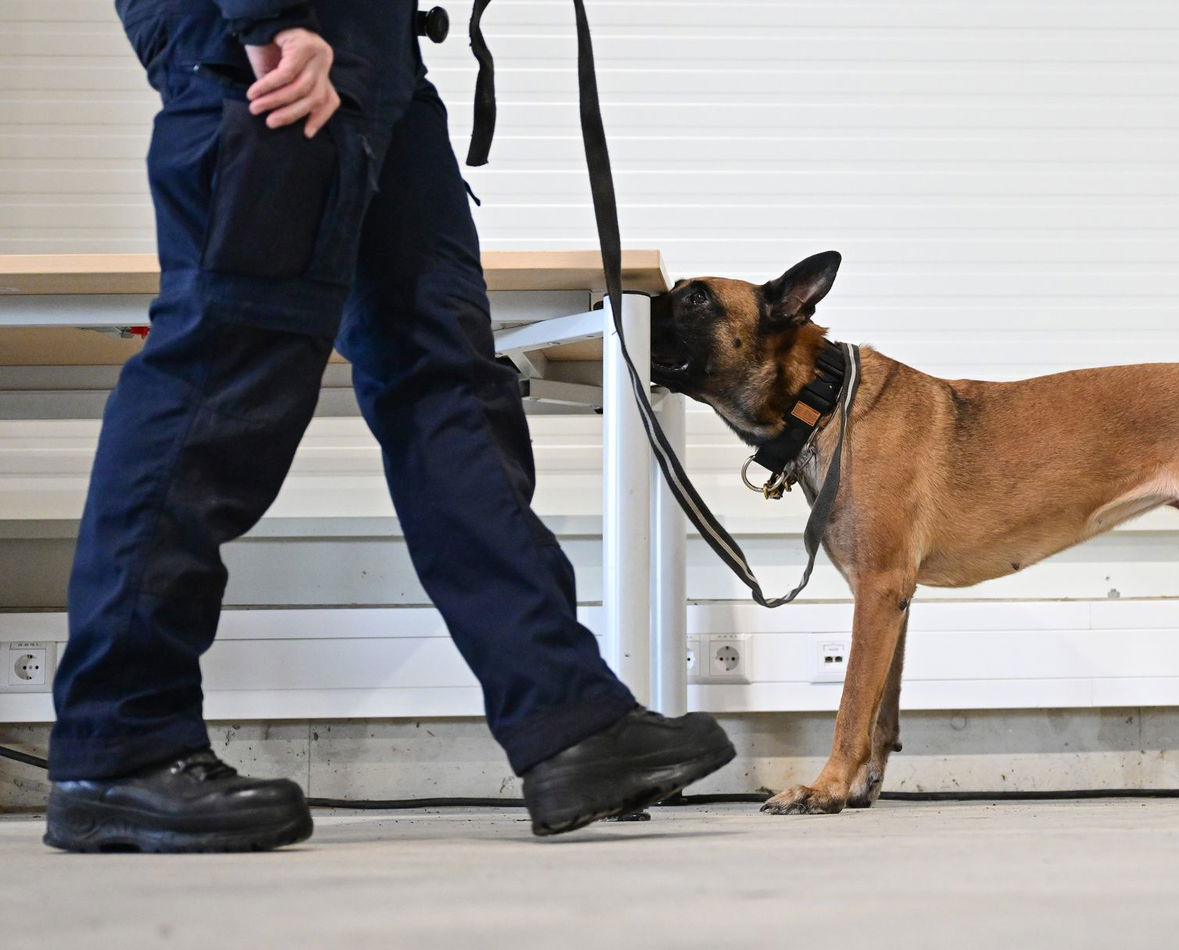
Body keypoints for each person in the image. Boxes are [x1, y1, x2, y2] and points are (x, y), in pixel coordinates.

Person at [43, 0, 733, 852]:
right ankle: (119, 745)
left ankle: (566, 716)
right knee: (217, 381)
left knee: (450, 387)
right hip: (276, 43)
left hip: (381, 59)